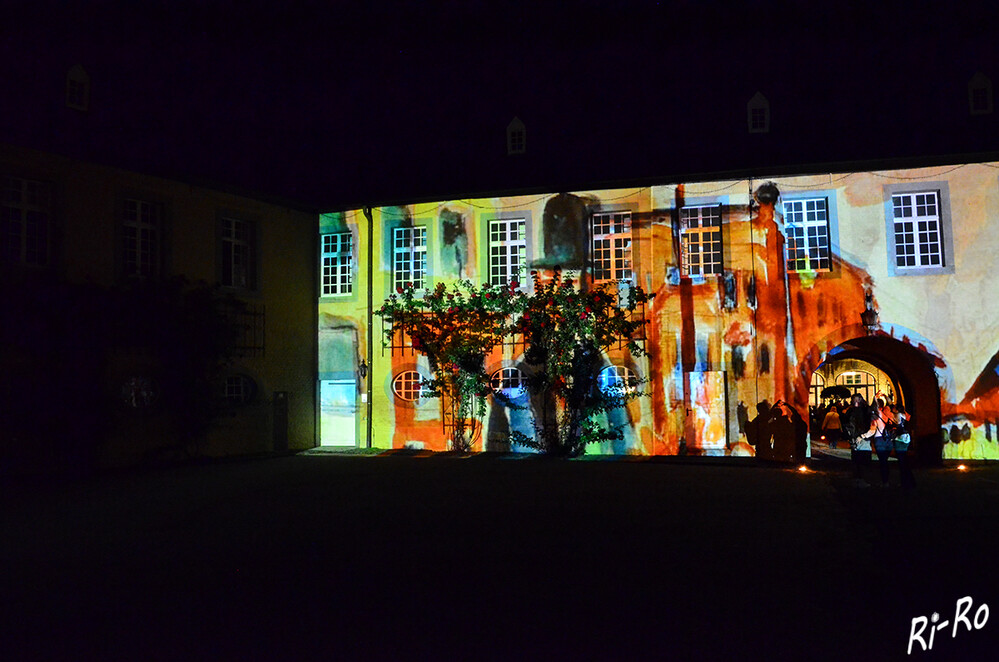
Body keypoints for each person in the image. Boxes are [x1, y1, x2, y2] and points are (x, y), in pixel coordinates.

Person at [841, 393, 872, 485]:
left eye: (855, 399)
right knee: (857, 459)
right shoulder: (853, 411)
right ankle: (858, 478)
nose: (854, 401)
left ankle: (861, 478)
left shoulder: (864, 410)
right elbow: (846, 423)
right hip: (855, 437)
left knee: (861, 458)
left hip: (861, 437)